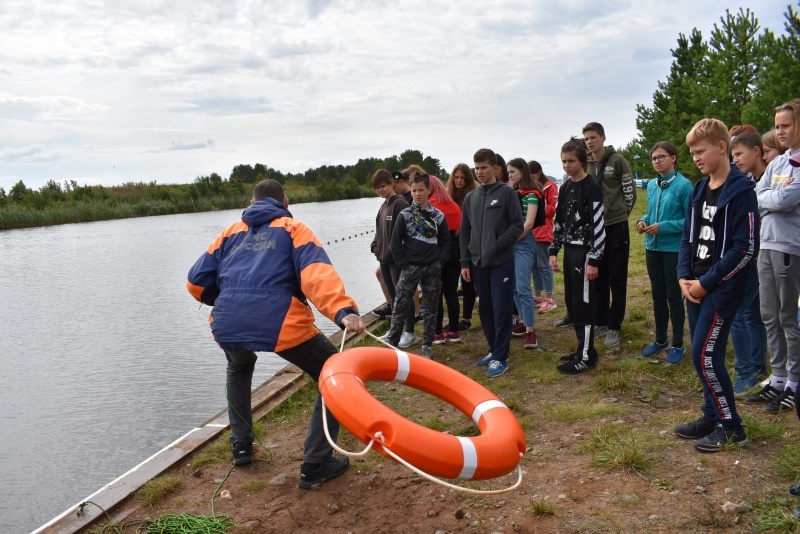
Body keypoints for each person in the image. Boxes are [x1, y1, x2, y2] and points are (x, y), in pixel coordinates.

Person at [186, 179, 365, 488]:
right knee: (333, 373)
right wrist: (343, 311)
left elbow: (196, 282)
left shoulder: (230, 232)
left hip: (227, 322)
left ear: (252, 201)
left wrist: (229, 298)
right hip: (279, 321)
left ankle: (241, 447)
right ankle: (316, 463)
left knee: (238, 367)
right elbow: (316, 275)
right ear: (286, 203)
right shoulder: (293, 229)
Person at [674, 118, 756, 452]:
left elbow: (745, 248)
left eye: (700, 151)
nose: (695, 157)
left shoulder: (741, 192)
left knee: (704, 356)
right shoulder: (698, 189)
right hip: (694, 284)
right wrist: (683, 276)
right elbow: (687, 237)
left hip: (722, 288)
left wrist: (706, 284)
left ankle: (732, 426)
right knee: (706, 354)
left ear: (722, 147)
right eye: (692, 152)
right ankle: (711, 414)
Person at [744, 98, 800, 414]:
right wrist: (773, 199)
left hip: (789, 248)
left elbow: (787, 199)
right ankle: (777, 378)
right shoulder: (778, 164)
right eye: (777, 125)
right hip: (766, 245)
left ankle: (794, 381)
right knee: (769, 313)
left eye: (786, 125)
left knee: (787, 317)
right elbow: (761, 195)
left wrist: (772, 199)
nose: (779, 131)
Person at [461, 148, 524, 377]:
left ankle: (501, 357)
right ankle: (493, 349)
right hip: (478, 264)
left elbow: (517, 225)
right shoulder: (471, 198)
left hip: (501, 262)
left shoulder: (507, 194)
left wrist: (497, 244)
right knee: (485, 309)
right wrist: (465, 262)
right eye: (476, 168)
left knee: (501, 310)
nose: (479, 172)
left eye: (484, 167)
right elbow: (465, 232)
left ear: (494, 168)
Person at [549, 138, 605, 374]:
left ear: (582, 160)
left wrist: (594, 259)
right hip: (569, 252)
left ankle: (586, 357)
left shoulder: (592, 187)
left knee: (584, 305)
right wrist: (554, 250)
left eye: (571, 161)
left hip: (585, 253)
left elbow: (598, 226)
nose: (566, 165)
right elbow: (559, 221)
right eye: (563, 161)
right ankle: (584, 350)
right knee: (573, 303)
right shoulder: (565, 187)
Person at [636, 141, 692, 364]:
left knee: (673, 296)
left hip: (673, 249)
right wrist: (643, 221)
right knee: (657, 295)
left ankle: (678, 343)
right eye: (653, 158)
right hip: (652, 247)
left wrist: (664, 226)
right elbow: (651, 212)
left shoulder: (685, 186)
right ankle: (661, 340)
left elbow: (690, 220)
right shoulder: (652, 185)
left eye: (661, 157)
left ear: (673, 157)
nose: (657, 161)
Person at [385, 172, 450, 359]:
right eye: (414, 190)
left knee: (431, 307)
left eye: (421, 190)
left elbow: (446, 241)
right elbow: (395, 243)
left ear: (429, 190)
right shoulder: (405, 215)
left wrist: (440, 262)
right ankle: (393, 341)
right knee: (400, 305)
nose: (417, 194)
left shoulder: (438, 216)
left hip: (432, 268)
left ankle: (427, 344)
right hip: (410, 267)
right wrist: (404, 265)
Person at [583, 122, 636, 347]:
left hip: (616, 225)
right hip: (594, 229)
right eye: (586, 138)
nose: (590, 142)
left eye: (593, 137)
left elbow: (630, 192)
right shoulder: (585, 163)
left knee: (617, 278)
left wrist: (620, 214)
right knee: (598, 277)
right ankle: (601, 321)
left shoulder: (617, 161)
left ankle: (615, 326)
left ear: (603, 138)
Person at [729, 132, 769, 393]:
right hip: (757, 253)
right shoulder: (749, 180)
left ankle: (747, 374)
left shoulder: (769, 180)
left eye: (739, 154)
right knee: (753, 312)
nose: (735, 160)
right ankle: (756, 365)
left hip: (760, 254)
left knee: (741, 312)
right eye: (732, 156)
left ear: (757, 151)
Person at [370, 169, 416, 347]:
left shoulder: (400, 204)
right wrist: (375, 247)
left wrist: (399, 253)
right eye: (377, 188)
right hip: (384, 259)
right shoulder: (383, 206)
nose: (380, 190)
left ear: (391, 184)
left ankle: (410, 332)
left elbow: (409, 232)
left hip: (398, 260)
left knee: (404, 295)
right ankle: (396, 331)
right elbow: (378, 232)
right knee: (393, 296)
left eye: (383, 186)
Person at [507, 157, 541, 349]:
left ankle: (531, 331)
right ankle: (522, 321)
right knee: (513, 287)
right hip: (512, 243)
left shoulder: (532, 194)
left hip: (523, 243)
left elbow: (528, 224)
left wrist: (510, 240)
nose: (509, 175)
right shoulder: (515, 193)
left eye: (512, 172)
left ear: (522, 171)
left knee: (522, 287)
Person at [426, 175, 462, 344]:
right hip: (454, 253)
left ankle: (437, 333)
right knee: (451, 293)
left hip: (436, 255)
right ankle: (454, 330)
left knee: (435, 295)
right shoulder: (453, 206)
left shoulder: (429, 206)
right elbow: (457, 232)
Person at [447, 163, 478, 331]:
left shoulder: (473, 195)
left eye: (462, 178)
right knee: (452, 283)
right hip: (453, 244)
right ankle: (454, 319)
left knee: (467, 282)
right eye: (456, 177)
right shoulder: (448, 196)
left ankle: (466, 318)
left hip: (469, 243)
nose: (459, 181)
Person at [530, 161, 558, 314]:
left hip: (544, 232)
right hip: (532, 232)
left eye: (533, 175)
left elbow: (553, 209)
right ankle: (538, 295)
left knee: (544, 266)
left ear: (539, 173)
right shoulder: (533, 189)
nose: (531, 179)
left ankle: (549, 298)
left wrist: (540, 202)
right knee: (534, 266)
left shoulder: (550, 187)